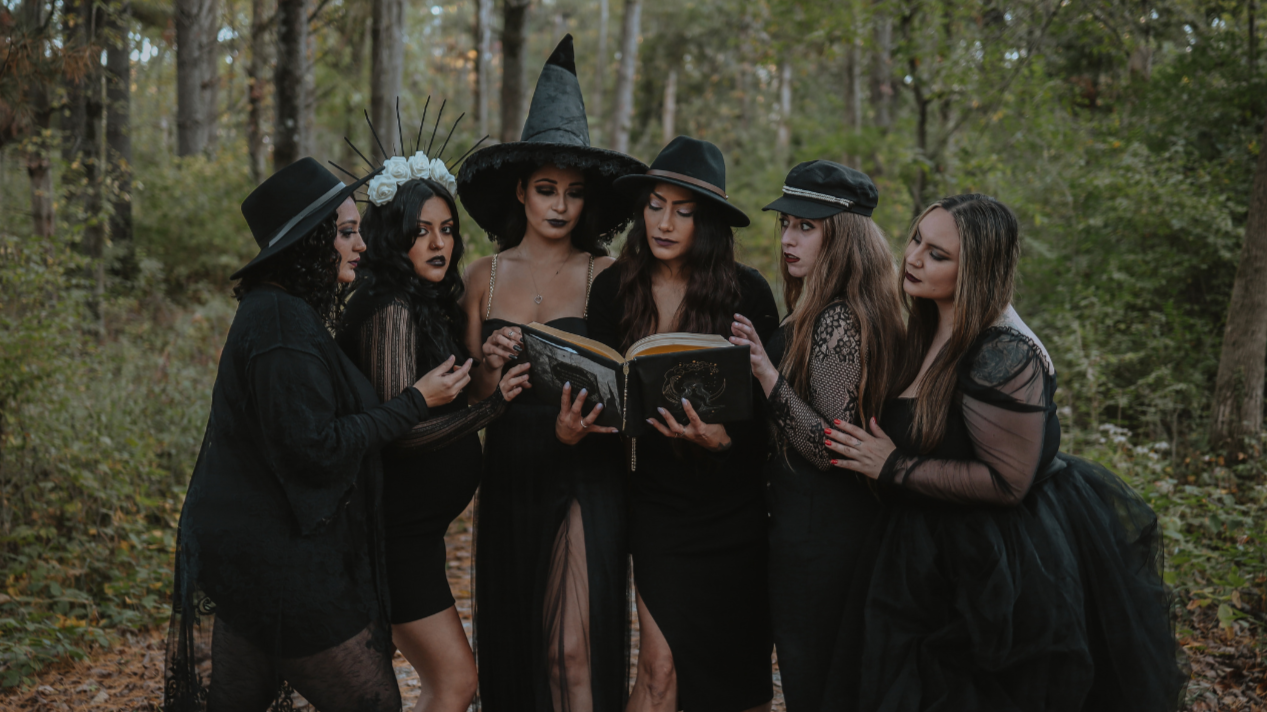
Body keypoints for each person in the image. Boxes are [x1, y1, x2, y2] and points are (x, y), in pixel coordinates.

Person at [823, 193, 1187, 710]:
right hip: (913, 554)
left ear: (977, 271)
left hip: (993, 567)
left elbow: (1007, 481)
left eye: (938, 255)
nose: (913, 258)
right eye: (916, 240)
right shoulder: (924, 327)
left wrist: (892, 465)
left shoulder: (1003, 354)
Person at [164, 158, 476, 712]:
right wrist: (414, 402)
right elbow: (314, 447)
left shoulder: (288, 313)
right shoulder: (280, 325)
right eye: (347, 232)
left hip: (260, 558)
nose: (361, 245)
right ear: (313, 239)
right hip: (280, 566)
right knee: (373, 702)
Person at [455, 35, 647, 712]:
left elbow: (631, 384)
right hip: (510, 466)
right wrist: (489, 376)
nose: (559, 206)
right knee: (519, 643)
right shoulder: (480, 278)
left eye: (571, 192)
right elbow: (466, 398)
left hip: (586, 466)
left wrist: (592, 426)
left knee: (572, 651)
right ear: (520, 191)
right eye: (545, 190)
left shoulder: (608, 275)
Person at [583, 136, 779, 712]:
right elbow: (602, 385)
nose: (664, 223)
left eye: (684, 211)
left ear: (709, 221)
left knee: (735, 674)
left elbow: (770, 410)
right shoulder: (612, 288)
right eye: (655, 205)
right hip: (657, 504)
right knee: (659, 666)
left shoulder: (748, 292)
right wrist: (580, 419)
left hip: (734, 507)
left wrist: (722, 439)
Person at [337, 165, 532, 712]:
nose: (438, 243)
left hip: (416, 535)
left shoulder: (417, 303)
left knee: (448, 683)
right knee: (455, 681)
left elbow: (438, 395)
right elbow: (403, 430)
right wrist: (494, 408)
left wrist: (485, 367)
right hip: (394, 535)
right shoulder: (391, 309)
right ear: (392, 234)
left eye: (446, 229)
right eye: (421, 230)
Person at [727, 160, 905, 712]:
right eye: (786, 224)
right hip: (826, 533)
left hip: (823, 539)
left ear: (843, 235)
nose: (787, 238)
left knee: (820, 686)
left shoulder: (838, 320)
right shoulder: (841, 308)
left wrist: (763, 369)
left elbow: (830, 446)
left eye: (807, 226)